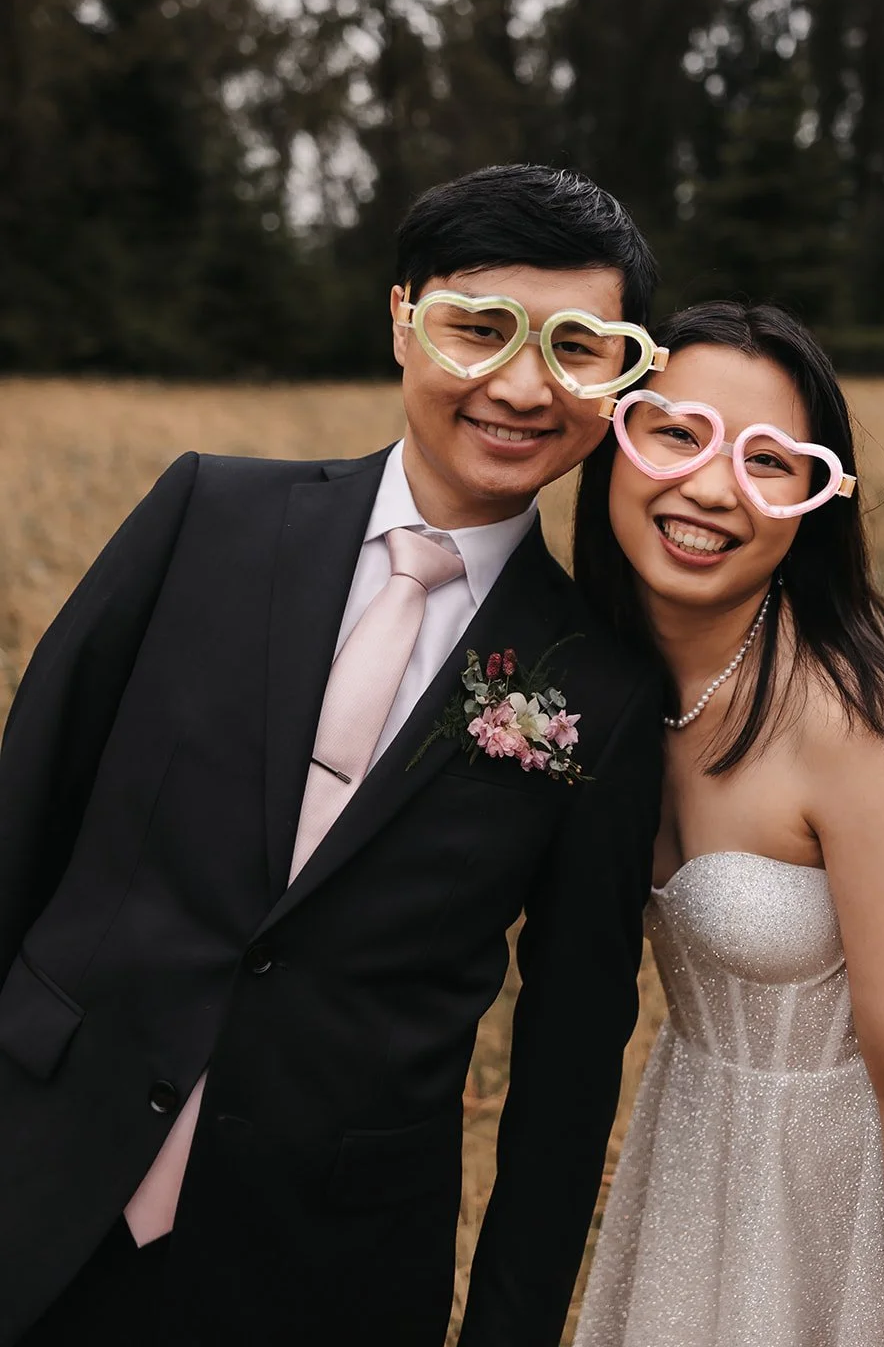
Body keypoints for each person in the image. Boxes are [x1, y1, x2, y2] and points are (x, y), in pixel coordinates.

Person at [0, 164, 667, 1347]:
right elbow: (25, 812)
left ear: (614, 381)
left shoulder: (602, 690)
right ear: (402, 319)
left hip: (326, 1268)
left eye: (575, 348)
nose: (522, 385)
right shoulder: (205, 516)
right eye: (479, 327)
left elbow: (567, 1066)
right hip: (37, 1168)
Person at [571, 300, 884, 1347]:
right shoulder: (587, 677)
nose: (712, 488)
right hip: (709, 1149)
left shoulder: (850, 726)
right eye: (676, 433)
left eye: (768, 461)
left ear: (812, 505)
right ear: (612, 437)